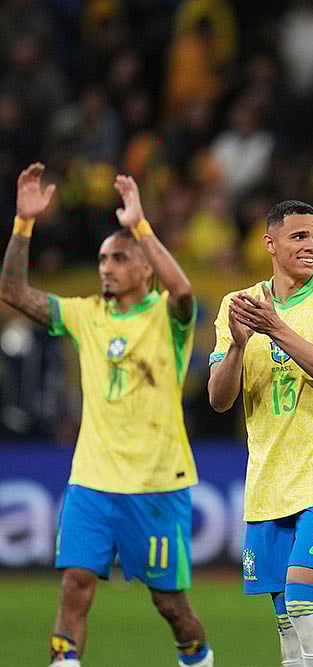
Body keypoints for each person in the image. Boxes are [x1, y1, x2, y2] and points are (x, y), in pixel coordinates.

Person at [0, 164, 213, 667]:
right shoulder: (85, 314)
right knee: (74, 585)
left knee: (171, 606)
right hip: (92, 481)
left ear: (146, 269)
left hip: (156, 484)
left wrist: (140, 226)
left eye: (119, 258)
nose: (106, 267)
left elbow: (185, 293)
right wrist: (23, 224)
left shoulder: (167, 317)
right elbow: (13, 292)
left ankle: (199, 657)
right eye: (101, 259)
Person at [207, 199, 313, 667]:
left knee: (304, 602)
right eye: (299, 236)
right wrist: (238, 347)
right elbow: (219, 399)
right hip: (269, 482)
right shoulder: (237, 306)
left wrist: (276, 328)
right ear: (270, 243)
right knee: (287, 625)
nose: (312, 246)